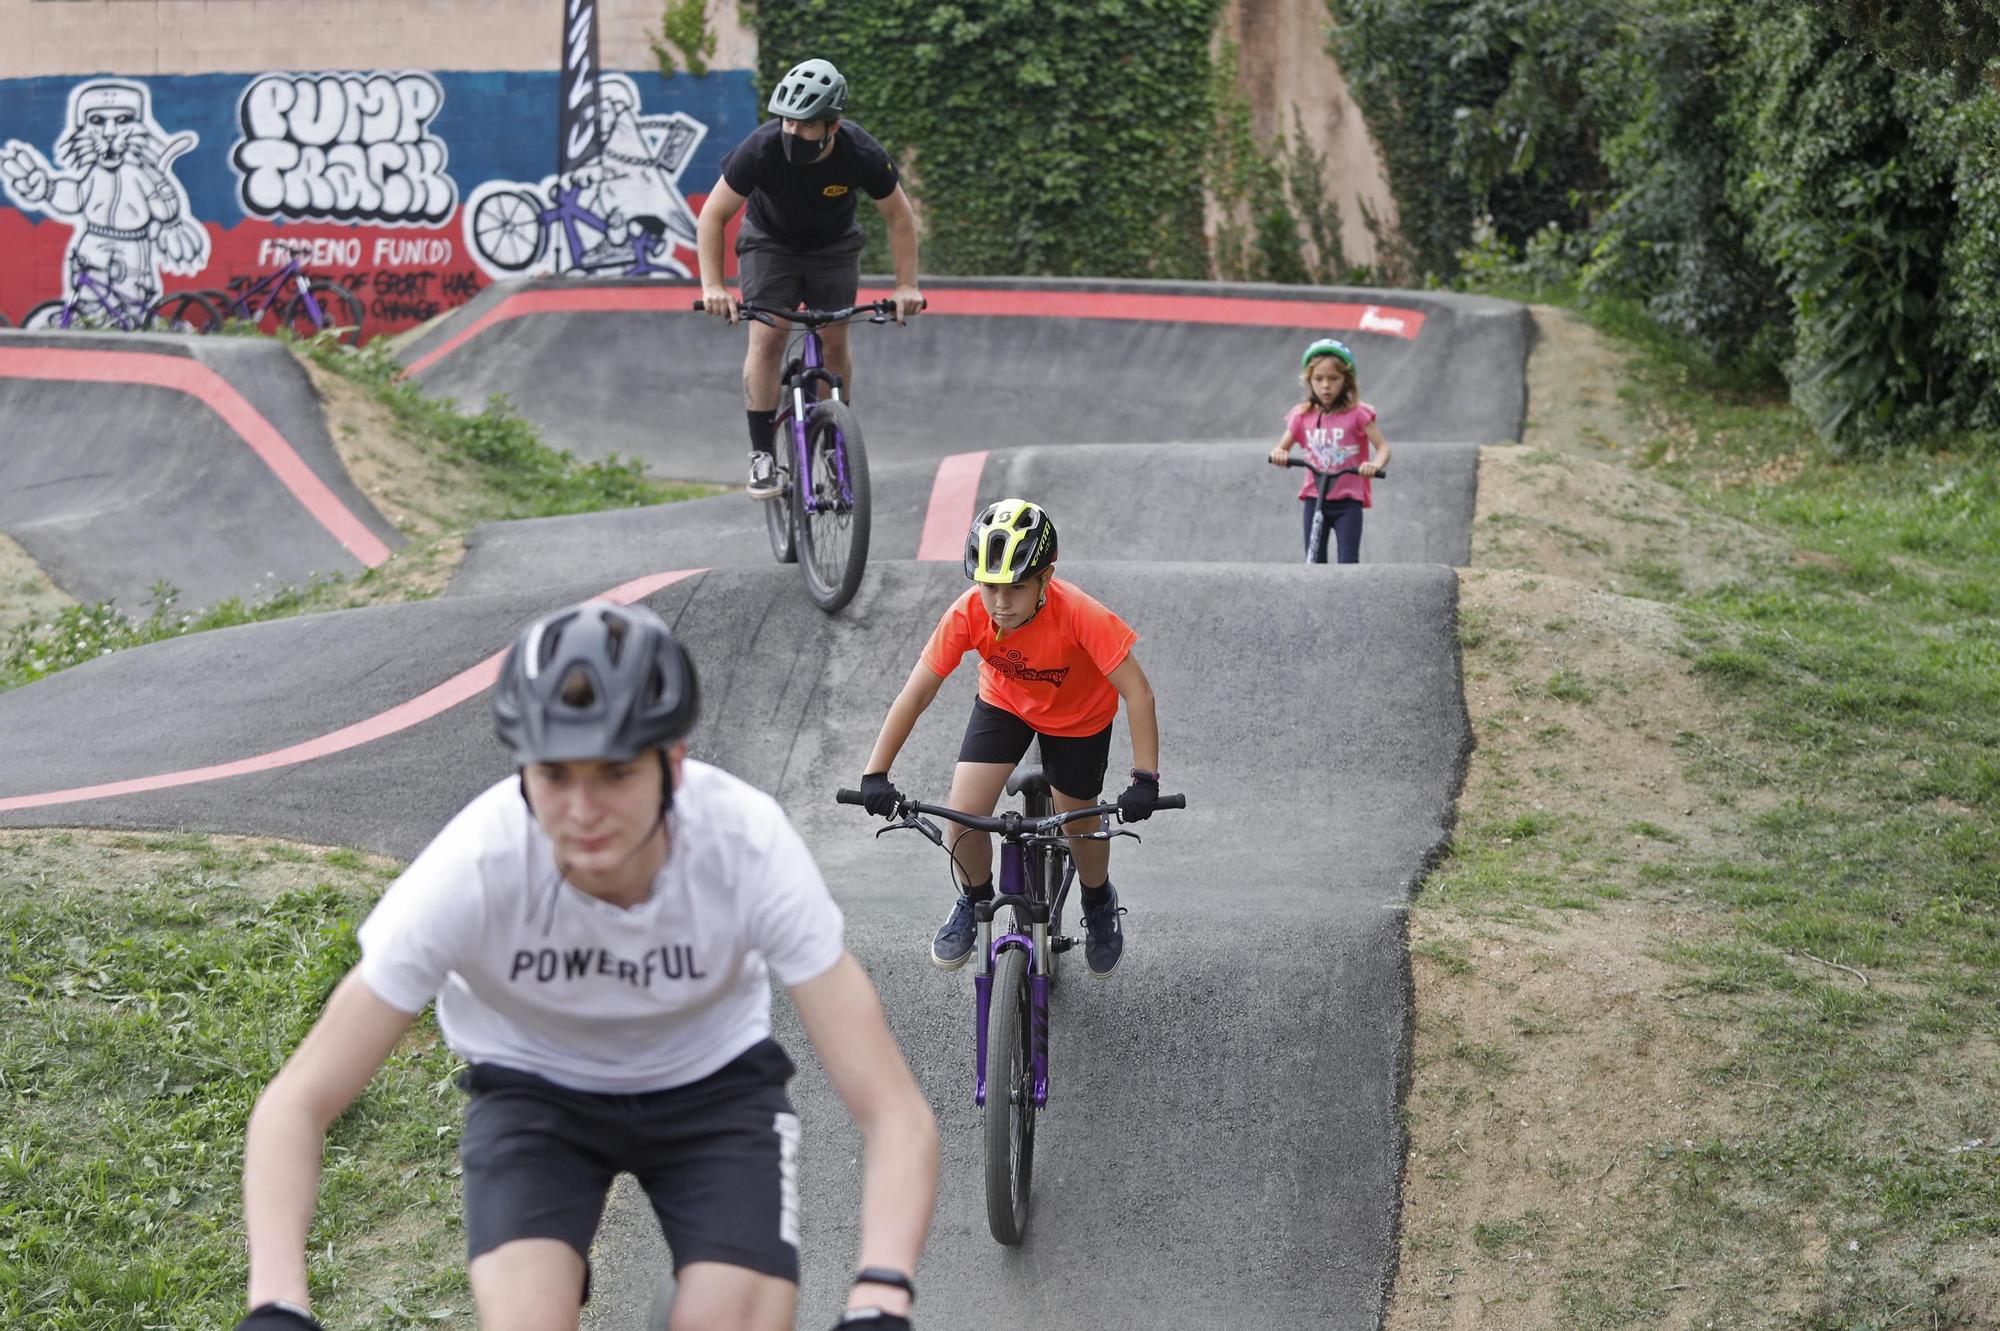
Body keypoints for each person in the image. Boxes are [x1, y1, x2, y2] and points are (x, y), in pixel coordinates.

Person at [233, 601, 937, 1331]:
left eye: (615, 771)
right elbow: (299, 1100)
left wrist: (881, 1297)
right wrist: (277, 1302)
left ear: (674, 761)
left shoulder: (746, 844)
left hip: (710, 1092)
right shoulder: (476, 864)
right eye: (554, 773)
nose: (582, 808)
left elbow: (894, 1109)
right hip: (537, 1095)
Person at [854, 500, 1165, 980]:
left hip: (1078, 719)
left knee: (1079, 825)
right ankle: (975, 897)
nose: (1000, 602)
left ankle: (1098, 897)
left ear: (1046, 577)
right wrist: (875, 772)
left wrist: (1145, 778)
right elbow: (916, 692)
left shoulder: (1080, 613)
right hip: (1005, 704)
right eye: (989, 587)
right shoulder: (967, 614)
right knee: (963, 820)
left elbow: (1138, 693)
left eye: (1016, 587)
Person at [696, 58, 925, 500]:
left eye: (805, 126)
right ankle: (762, 455)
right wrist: (713, 286)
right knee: (768, 337)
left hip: (834, 247)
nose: (792, 133)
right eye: (786, 121)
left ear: (832, 126)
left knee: (836, 339)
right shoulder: (761, 148)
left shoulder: (861, 152)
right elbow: (713, 215)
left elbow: (899, 217)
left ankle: (835, 445)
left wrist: (905, 285)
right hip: (769, 244)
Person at [1266, 337, 1392, 564]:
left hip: (1348, 502)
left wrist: (1374, 465)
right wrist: (1279, 454)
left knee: (1348, 562)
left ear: (1346, 381)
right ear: (1309, 380)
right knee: (1314, 561)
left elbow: (1383, 448)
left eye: (1333, 378)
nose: (1326, 385)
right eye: (1319, 379)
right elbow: (1280, 448)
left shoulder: (1358, 413)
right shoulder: (1302, 415)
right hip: (1315, 499)